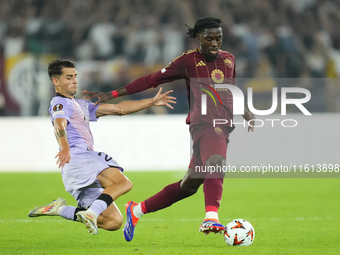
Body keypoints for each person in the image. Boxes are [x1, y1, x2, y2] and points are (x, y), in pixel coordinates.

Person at [83, 17, 255, 241]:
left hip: (223, 125)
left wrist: (245, 111)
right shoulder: (187, 61)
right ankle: (211, 216)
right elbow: (151, 80)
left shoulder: (229, 60)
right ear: (198, 38)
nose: (214, 43)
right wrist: (112, 94)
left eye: (218, 38)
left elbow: (229, 90)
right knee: (217, 163)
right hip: (203, 123)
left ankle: (136, 210)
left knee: (190, 184)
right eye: (209, 38)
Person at [28, 58, 176, 235]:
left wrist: (151, 102)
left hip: (75, 168)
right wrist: (65, 147)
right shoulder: (60, 103)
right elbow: (59, 125)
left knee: (114, 222)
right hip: (78, 157)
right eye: (68, 77)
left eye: (75, 76)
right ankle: (91, 212)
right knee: (123, 183)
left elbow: (119, 109)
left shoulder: (80, 105)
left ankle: (61, 210)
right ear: (55, 81)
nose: (74, 80)